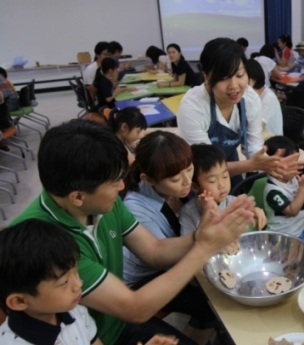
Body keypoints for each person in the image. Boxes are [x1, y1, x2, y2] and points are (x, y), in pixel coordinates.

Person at [11, 119, 255, 345]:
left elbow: (153, 250)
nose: (122, 186)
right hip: (97, 333)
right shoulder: (46, 243)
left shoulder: (101, 200)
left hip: (113, 323)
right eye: (115, 181)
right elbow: (134, 308)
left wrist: (199, 236)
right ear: (77, 197)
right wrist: (205, 247)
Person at [0, 219, 178, 345]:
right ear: (19, 301)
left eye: (76, 272)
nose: (78, 284)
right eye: (64, 283)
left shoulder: (76, 313)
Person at [122, 132, 226, 344]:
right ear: (148, 179)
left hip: (168, 262)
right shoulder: (135, 206)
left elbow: (213, 172)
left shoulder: (178, 183)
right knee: (212, 301)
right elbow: (160, 255)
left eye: (189, 170)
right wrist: (203, 237)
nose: (188, 182)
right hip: (142, 280)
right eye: (176, 179)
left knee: (217, 297)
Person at [177, 38, 301, 186]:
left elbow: (254, 146)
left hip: (231, 162)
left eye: (240, 75)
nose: (234, 86)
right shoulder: (193, 107)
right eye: (224, 78)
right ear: (206, 78)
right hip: (201, 175)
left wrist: (267, 162)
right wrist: (252, 165)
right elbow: (206, 165)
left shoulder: (250, 99)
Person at [179, 144, 267, 235]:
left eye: (225, 176)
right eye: (212, 181)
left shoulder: (234, 202)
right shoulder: (188, 212)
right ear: (195, 186)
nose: (222, 185)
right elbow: (189, 245)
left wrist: (255, 211)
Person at [263, 136, 304, 242]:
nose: (296, 167)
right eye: (291, 164)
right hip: (281, 237)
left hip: (300, 232)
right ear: (272, 166)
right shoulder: (272, 191)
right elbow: (292, 211)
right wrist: (303, 189)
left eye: (296, 162)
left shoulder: (293, 179)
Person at [247, 59, 283, 135]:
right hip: (258, 137)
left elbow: (257, 127)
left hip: (271, 139)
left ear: (254, 78)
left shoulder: (268, 97)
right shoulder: (250, 94)